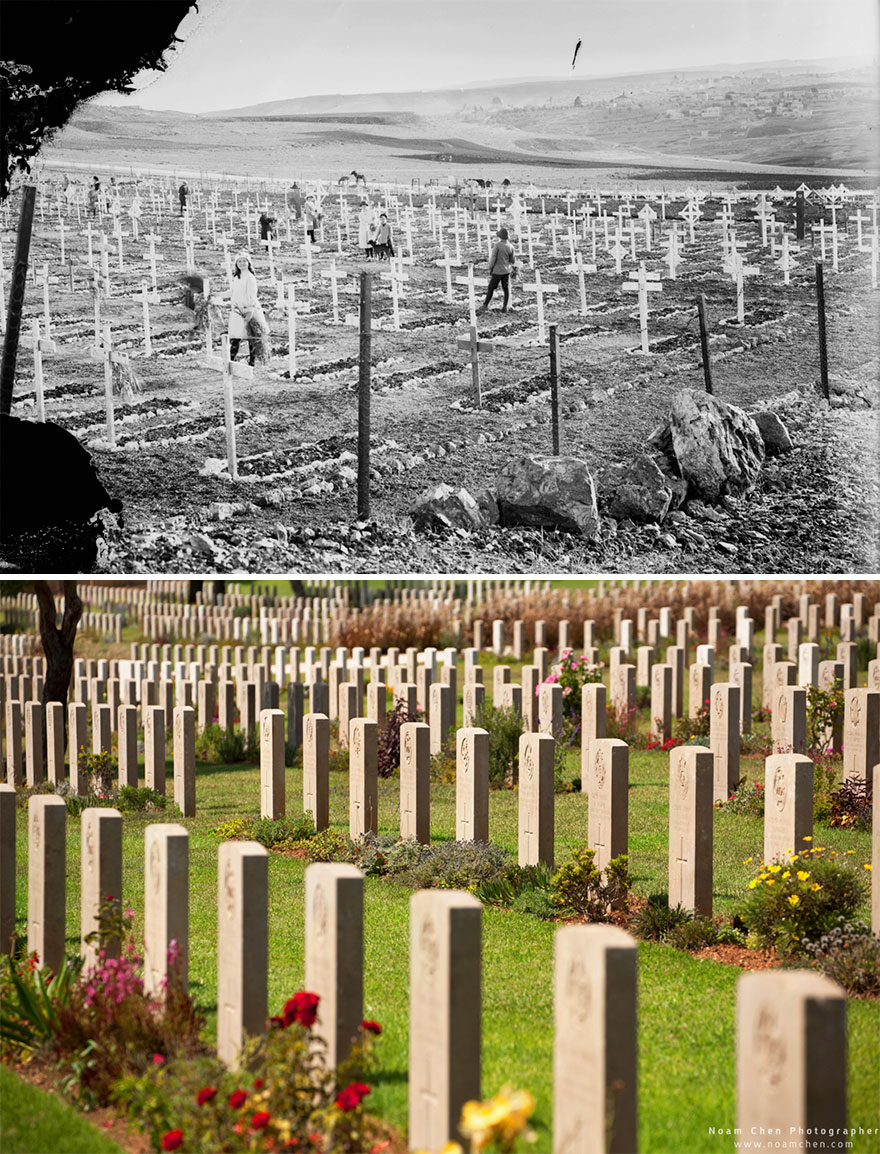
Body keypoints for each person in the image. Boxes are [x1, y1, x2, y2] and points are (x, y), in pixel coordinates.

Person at [227, 253, 268, 366]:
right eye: (239, 261)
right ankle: (230, 360)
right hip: (237, 310)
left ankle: (252, 361)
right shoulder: (236, 277)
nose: (242, 263)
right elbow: (232, 292)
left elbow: (252, 296)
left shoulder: (250, 277)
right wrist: (216, 295)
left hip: (249, 309)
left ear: (248, 263)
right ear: (236, 264)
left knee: (251, 335)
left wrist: (250, 311)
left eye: (244, 261)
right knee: (236, 336)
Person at [477, 227, 517, 314]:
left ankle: (485, 305)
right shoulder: (510, 246)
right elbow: (512, 260)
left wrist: (490, 267)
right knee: (505, 288)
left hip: (497, 270)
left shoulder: (497, 245)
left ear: (500, 237)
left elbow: (493, 258)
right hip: (506, 271)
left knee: (491, 287)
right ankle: (505, 307)